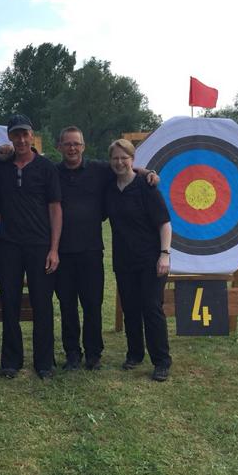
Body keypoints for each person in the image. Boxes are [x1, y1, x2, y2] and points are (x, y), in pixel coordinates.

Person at [54, 126, 159, 371]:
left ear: (83, 146)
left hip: (91, 251)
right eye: (67, 144)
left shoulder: (99, 169)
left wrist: (149, 173)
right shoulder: (52, 172)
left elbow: (125, 166)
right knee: (67, 306)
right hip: (62, 252)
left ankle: (93, 354)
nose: (72, 148)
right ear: (59, 147)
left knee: (93, 305)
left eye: (76, 144)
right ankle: (72, 354)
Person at [0, 113, 62, 379]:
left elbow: (55, 209)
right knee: (9, 302)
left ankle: (44, 362)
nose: (21, 139)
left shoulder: (46, 168)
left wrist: (54, 249)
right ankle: (11, 361)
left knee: (42, 304)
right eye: (16, 134)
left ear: (32, 136)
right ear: (9, 137)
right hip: (8, 246)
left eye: (25, 134)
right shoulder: (1, 167)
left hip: (40, 246)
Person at [105, 138, 173, 381]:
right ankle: (134, 354)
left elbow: (164, 224)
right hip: (124, 260)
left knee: (151, 308)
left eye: (124, 158)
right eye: (115, 158)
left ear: (132, 160)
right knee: (130, 308)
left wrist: (164, 254)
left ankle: (161, 361)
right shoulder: (109, 187)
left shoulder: (147, 186)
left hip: (151, 259)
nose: (119, 162)